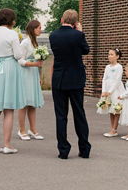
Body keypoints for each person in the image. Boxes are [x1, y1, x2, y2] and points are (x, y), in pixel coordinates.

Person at [0, 8, 27, 154]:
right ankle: (7, 145)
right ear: (11, 20)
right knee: (8, 108)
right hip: (9, 68)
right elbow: (18, 54)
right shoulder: (12, 34)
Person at [49, 9, 91, 159]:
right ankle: (84, 149)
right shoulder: (78, 35)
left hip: (59, 79)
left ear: (62, 19)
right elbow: (86, 50)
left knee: (61, 116)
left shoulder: (53, 36)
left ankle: (63, 150)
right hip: (76, 79)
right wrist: (80, 31)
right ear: (75, 23)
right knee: (79, 113)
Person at [17, 19, 45, 141]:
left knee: (32, 104)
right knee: (24, 103)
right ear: (33, 29)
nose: (41, 29)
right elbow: (20, 60)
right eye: (39, 27)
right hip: (25, 75)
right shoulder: (25, 43)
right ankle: (21, 130)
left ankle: (32, 130)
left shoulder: (35, 43)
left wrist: (38, 76)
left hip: (33, 74)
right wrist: (34, 65)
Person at [100, 49, 125, 137]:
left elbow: (117, 80)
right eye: (109, 54)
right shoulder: (107, 67)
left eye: (111, 54)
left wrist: (110, 91)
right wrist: (104, 91)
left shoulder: (119, 67)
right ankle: (112, 128)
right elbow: (104, 79)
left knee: (116, 109)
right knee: (110, 109)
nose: (109, 56)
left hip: (115, 90)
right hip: (107, 90)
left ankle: (114, 130)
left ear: (117, 56)